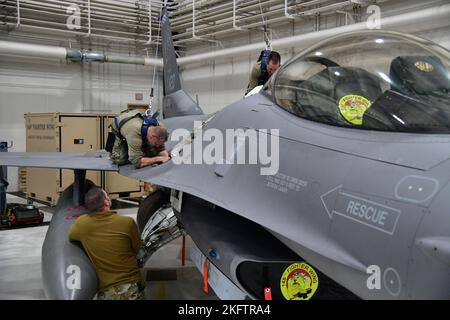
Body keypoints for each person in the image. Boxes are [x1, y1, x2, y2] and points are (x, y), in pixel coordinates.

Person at [68, 187, 144, 300]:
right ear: (106, 202)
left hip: (106, 292)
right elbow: (137, 249)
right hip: (131, 286)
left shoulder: (81, 224)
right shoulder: (127, 223)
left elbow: (71, 236)